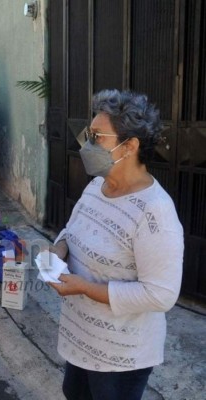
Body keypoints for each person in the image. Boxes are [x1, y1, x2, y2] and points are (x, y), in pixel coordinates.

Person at [48, 89, 184, 400]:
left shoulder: (154, 212)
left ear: (130, 146)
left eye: (97, 137)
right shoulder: (97, 185)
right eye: (88, 135)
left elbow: (161, 294)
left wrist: (84, 287)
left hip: (119, 355)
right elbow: (72, 230)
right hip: (82, 339)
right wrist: (57, 250)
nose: (87, 145)